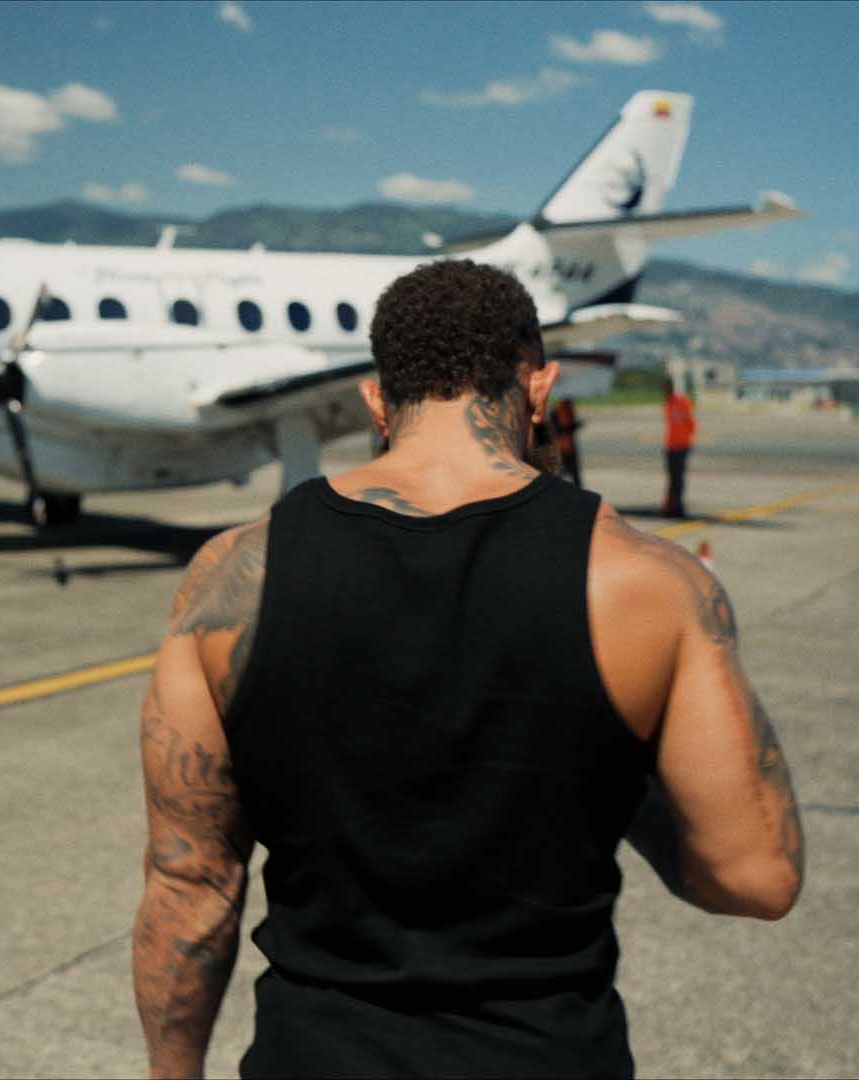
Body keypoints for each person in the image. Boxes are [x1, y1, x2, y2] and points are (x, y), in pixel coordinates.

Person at [132, 260, 803, 1078]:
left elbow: (190, 885)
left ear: (376, 400)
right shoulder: (651, 583)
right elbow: (756, 878)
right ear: (540, 387)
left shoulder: (232, 578)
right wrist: (613, 758)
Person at [662, 375, 696, 517]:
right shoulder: (668, 403)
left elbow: (691, 423)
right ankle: (671, 507)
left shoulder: (682, 401)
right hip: (670, 445)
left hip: (681, 446)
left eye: (667, 386)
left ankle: (677, 507)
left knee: (678, 479)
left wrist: (687, 440)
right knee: (672, 478)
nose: (665, 390)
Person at [551, 397, 584, 486]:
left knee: (564, 473)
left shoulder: (558, 412)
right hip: (564, 447)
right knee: (570, 472)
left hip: (564, 447)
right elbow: (565, 428)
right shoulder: (561, 411)